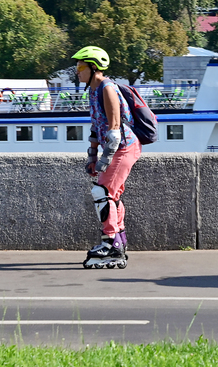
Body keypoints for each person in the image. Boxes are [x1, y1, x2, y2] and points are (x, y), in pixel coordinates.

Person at [72, 46, 142, 269]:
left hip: (123, 147)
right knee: (112, 195)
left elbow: (113, 130)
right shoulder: (93, 90)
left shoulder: (107, 88)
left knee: (102, 192)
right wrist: (92, 155)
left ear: (93, 68)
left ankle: (110, 243)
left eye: (80, 66)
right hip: (116, 148)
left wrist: (104, 160)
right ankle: (119, 240)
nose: (77, 71)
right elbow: (96, 127)